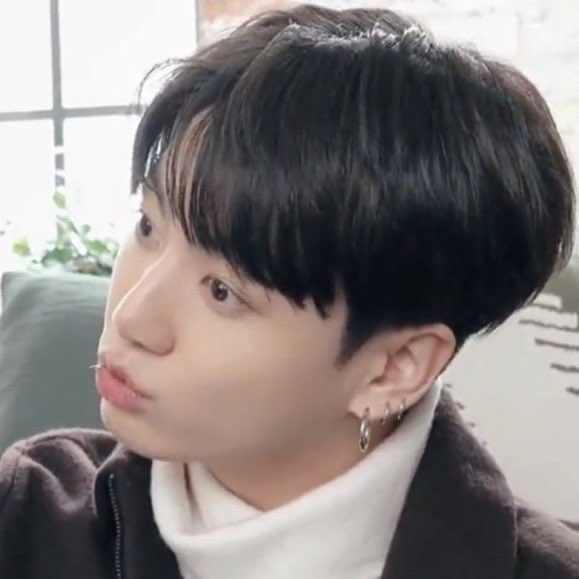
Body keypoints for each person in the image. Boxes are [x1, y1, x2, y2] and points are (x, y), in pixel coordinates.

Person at [1, 4, 578, 578]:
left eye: (222, 291)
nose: (132, 317)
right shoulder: (27, 517)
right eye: (148, 227)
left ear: (392, 368)